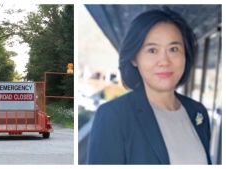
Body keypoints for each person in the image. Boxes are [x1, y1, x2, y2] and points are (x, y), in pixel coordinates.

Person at [87, 6, 212, 165]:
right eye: (152, 50)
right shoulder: (114, 116)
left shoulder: (198, 112)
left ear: (185, 55)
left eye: (173, 49)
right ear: (134, 58)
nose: (164, 61)